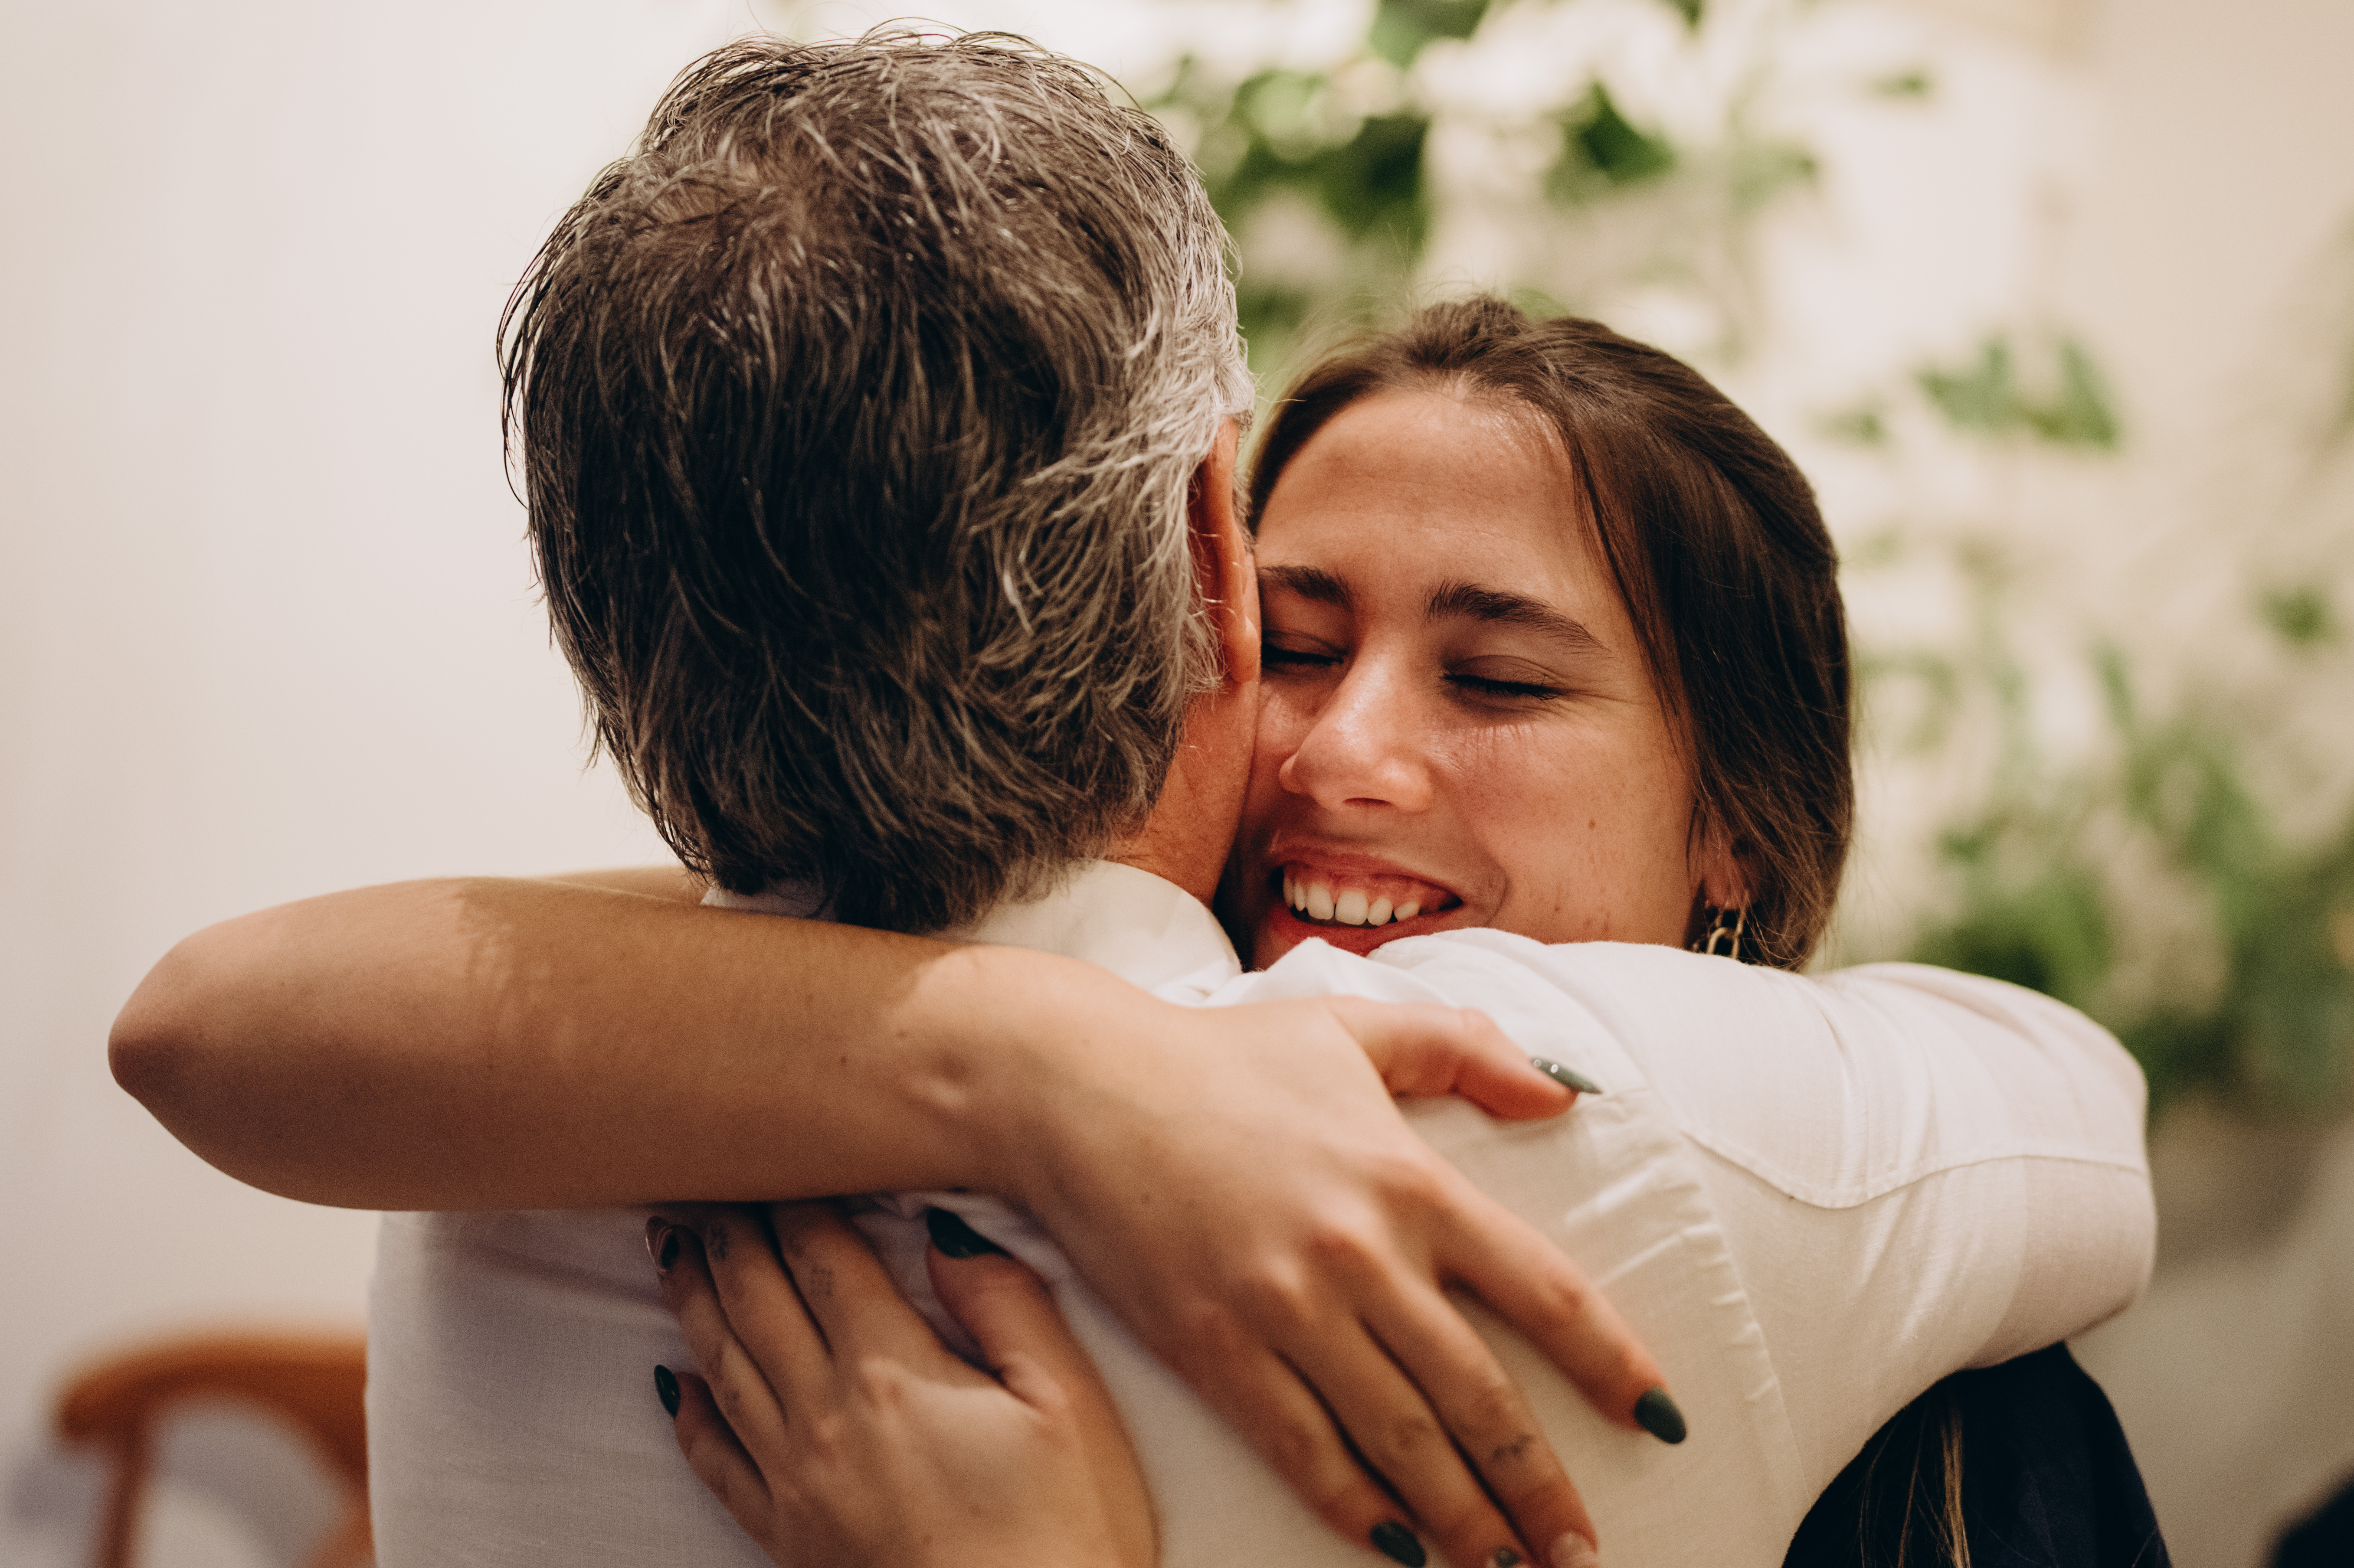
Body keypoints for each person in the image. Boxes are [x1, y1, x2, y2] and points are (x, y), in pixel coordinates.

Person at [108, 31, 2154, 1568]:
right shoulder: (1632, 1141)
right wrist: (1051, 1063)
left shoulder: (482, 1174)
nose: (1343, 755)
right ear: (1207, 560)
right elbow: (2069, 1101)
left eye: (1501, 676)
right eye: (1303, 631)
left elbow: (226, 1012)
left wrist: (1034, 1056)